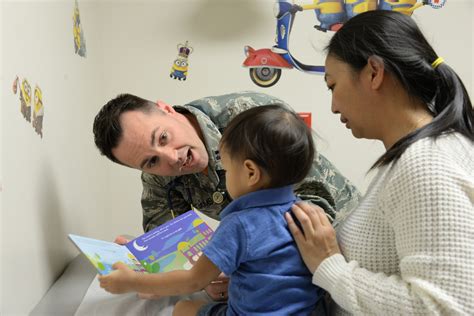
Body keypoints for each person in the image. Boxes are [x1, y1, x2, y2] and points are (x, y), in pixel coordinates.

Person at [285, 10, 474, 315]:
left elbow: (447, 307)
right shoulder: (412, 157)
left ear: (374, 72)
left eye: (332, 86)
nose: (333, 107)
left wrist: (329, 266)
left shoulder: (426, 162)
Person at [93, 91, 361, 300]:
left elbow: (313, 210)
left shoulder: (251, 117)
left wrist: (241, 268)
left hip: (346, 235)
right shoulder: (157, 173)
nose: (172, 158)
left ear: (167, 110)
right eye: (151, 161)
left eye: (163, 137)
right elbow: (168, 239)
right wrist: (145, 261)